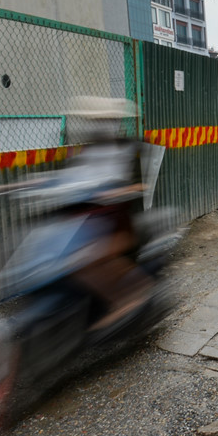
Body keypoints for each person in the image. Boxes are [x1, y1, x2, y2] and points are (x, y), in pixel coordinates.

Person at [59, 96, 151, 330]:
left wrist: (116, 192)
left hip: (118, 223)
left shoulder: (131, 147)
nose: (101, 124)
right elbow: (68, 180)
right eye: (96, 120)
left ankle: (129, 297)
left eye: (106, 120)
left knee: (84, 261)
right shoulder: (87, 150)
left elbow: (141, 185)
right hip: (85, 222)